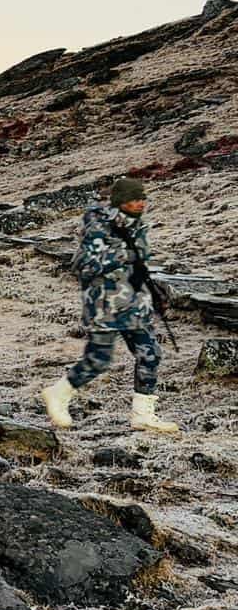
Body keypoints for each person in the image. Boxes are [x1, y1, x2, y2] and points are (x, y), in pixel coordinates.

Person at [41, 178, 178, 434]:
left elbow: (138, 263)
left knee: (150, 354)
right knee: (99, 360)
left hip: (134, 304)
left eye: (142, 198)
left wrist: (151, 289)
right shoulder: (99, 226)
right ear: (120, 201)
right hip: (105, 306)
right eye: (134, 198)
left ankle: (143, 416)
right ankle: (58, 394)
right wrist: (124, 255)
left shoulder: (138, 227)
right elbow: (83, 265)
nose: (140, 203)